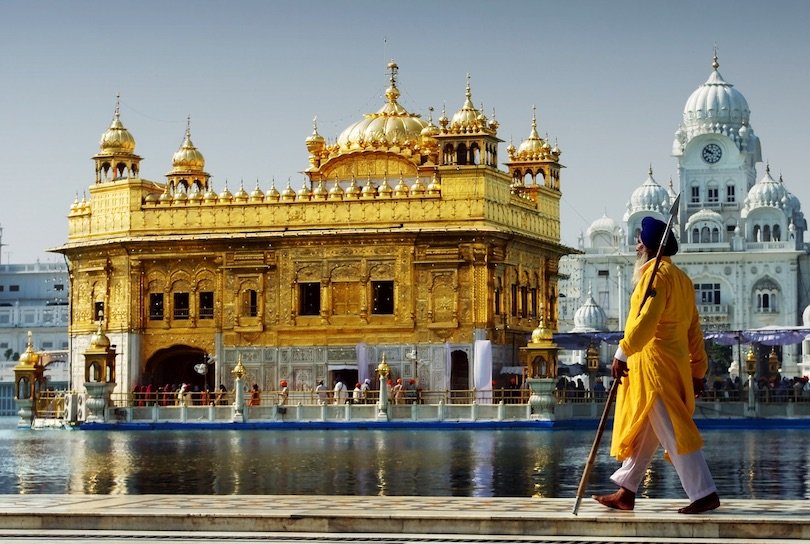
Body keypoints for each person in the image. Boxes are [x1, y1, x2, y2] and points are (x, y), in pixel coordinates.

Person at [592, 216, 719, 515]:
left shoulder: (656, 277)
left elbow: (645, 322)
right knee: (646, 430)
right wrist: (698, 369)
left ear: (649, 246)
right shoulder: (683, 280)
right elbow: (694, 330)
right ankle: (627, 491)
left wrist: (622, 352)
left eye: (639, 240)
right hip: (670, 364)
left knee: (674, 430)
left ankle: (704, 492)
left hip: (654, 366)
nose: (636, 246)